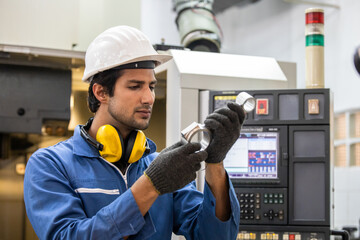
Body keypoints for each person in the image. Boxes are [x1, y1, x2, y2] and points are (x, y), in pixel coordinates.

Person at [24, 25, 245, 240]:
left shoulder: (158, 164)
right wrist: (151, 185)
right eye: (135, 86)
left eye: (151, 86)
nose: (148, 98)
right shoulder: (50, 164)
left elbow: (213, 236)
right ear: (101, 92)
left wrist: (215, 163)